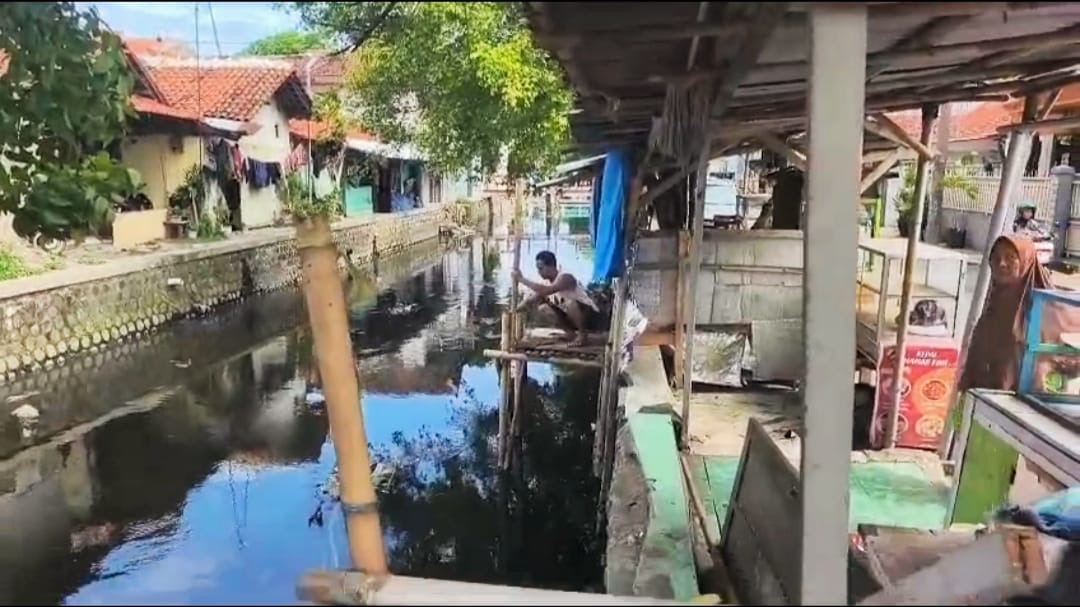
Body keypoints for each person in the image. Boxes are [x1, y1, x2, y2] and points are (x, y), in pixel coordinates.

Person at [512, 250, 603, 346]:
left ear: (551, 266)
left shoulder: (565, 277)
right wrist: (513, 311)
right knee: (543, 308)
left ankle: (583, 336)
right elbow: (530, 300)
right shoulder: (546, 283)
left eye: (541, 268)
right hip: (571, 318)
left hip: (590, 317)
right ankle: (570, 333)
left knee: (570, 304)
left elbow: (546, 290)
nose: (539, 272)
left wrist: (522, 279)